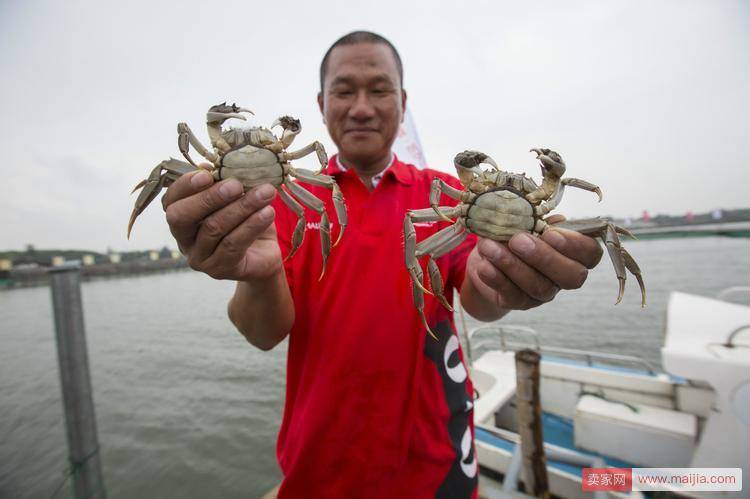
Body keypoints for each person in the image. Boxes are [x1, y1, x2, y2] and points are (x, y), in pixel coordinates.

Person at [161, 31, 602, 499]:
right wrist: (259, 272)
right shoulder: (283, 197)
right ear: (321, 102)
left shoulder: (447, 196)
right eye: (345, 90)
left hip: (439, 458)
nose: (362, 107)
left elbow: (481, 296)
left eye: (380, 89)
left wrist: (508, 281)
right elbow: (263, 332)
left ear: (403, 100)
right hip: (318, 468)